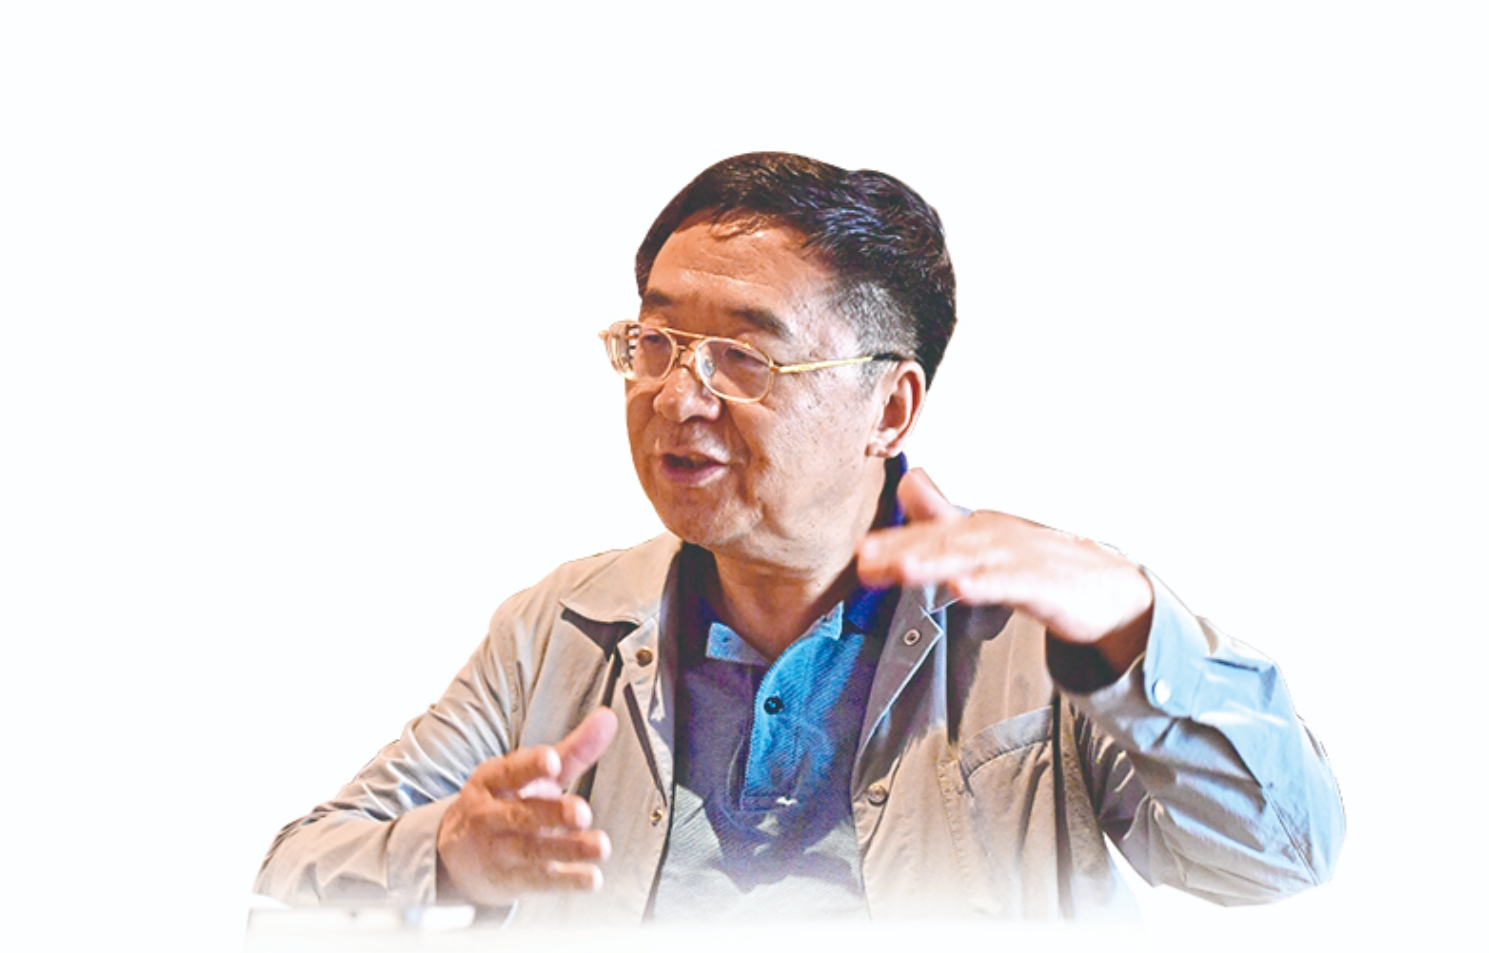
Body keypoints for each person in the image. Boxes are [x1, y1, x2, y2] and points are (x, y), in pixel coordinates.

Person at [254, 152, 1344, 924]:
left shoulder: (1044, 627)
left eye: (743, 356)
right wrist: (450, 854)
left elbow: (1282, 856)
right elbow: (291, 878)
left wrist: (1134, 633)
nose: (677, 395)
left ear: (890, 409)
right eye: (656, 341)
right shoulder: (560, 628)